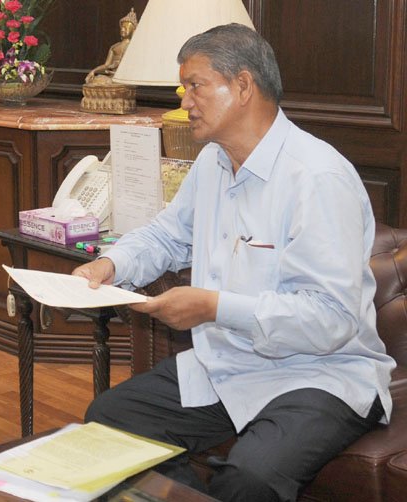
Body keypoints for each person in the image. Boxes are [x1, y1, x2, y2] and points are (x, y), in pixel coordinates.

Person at [74, 24, 395, 502]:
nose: (185, 102)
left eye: (195, 85)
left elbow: (331, 319)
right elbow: (167, 234)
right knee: (111, 421)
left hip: (320, 373)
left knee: (251, 477)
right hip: (231, 362)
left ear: (243, 86)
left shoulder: (317, 177)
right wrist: (110, 265)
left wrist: (213, 307)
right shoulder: (213, 162)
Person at [85, 8, 137, 85]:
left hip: (124, 78)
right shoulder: (114, 47)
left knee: (106, 83)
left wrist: (117, 68)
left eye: (126, 27)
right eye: (122, 27)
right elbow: (106, 65)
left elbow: (131, 67)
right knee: (96, 80)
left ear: (133, 30)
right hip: (112, 76)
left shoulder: (133, 47)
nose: (123, 30)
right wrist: (93, 71)